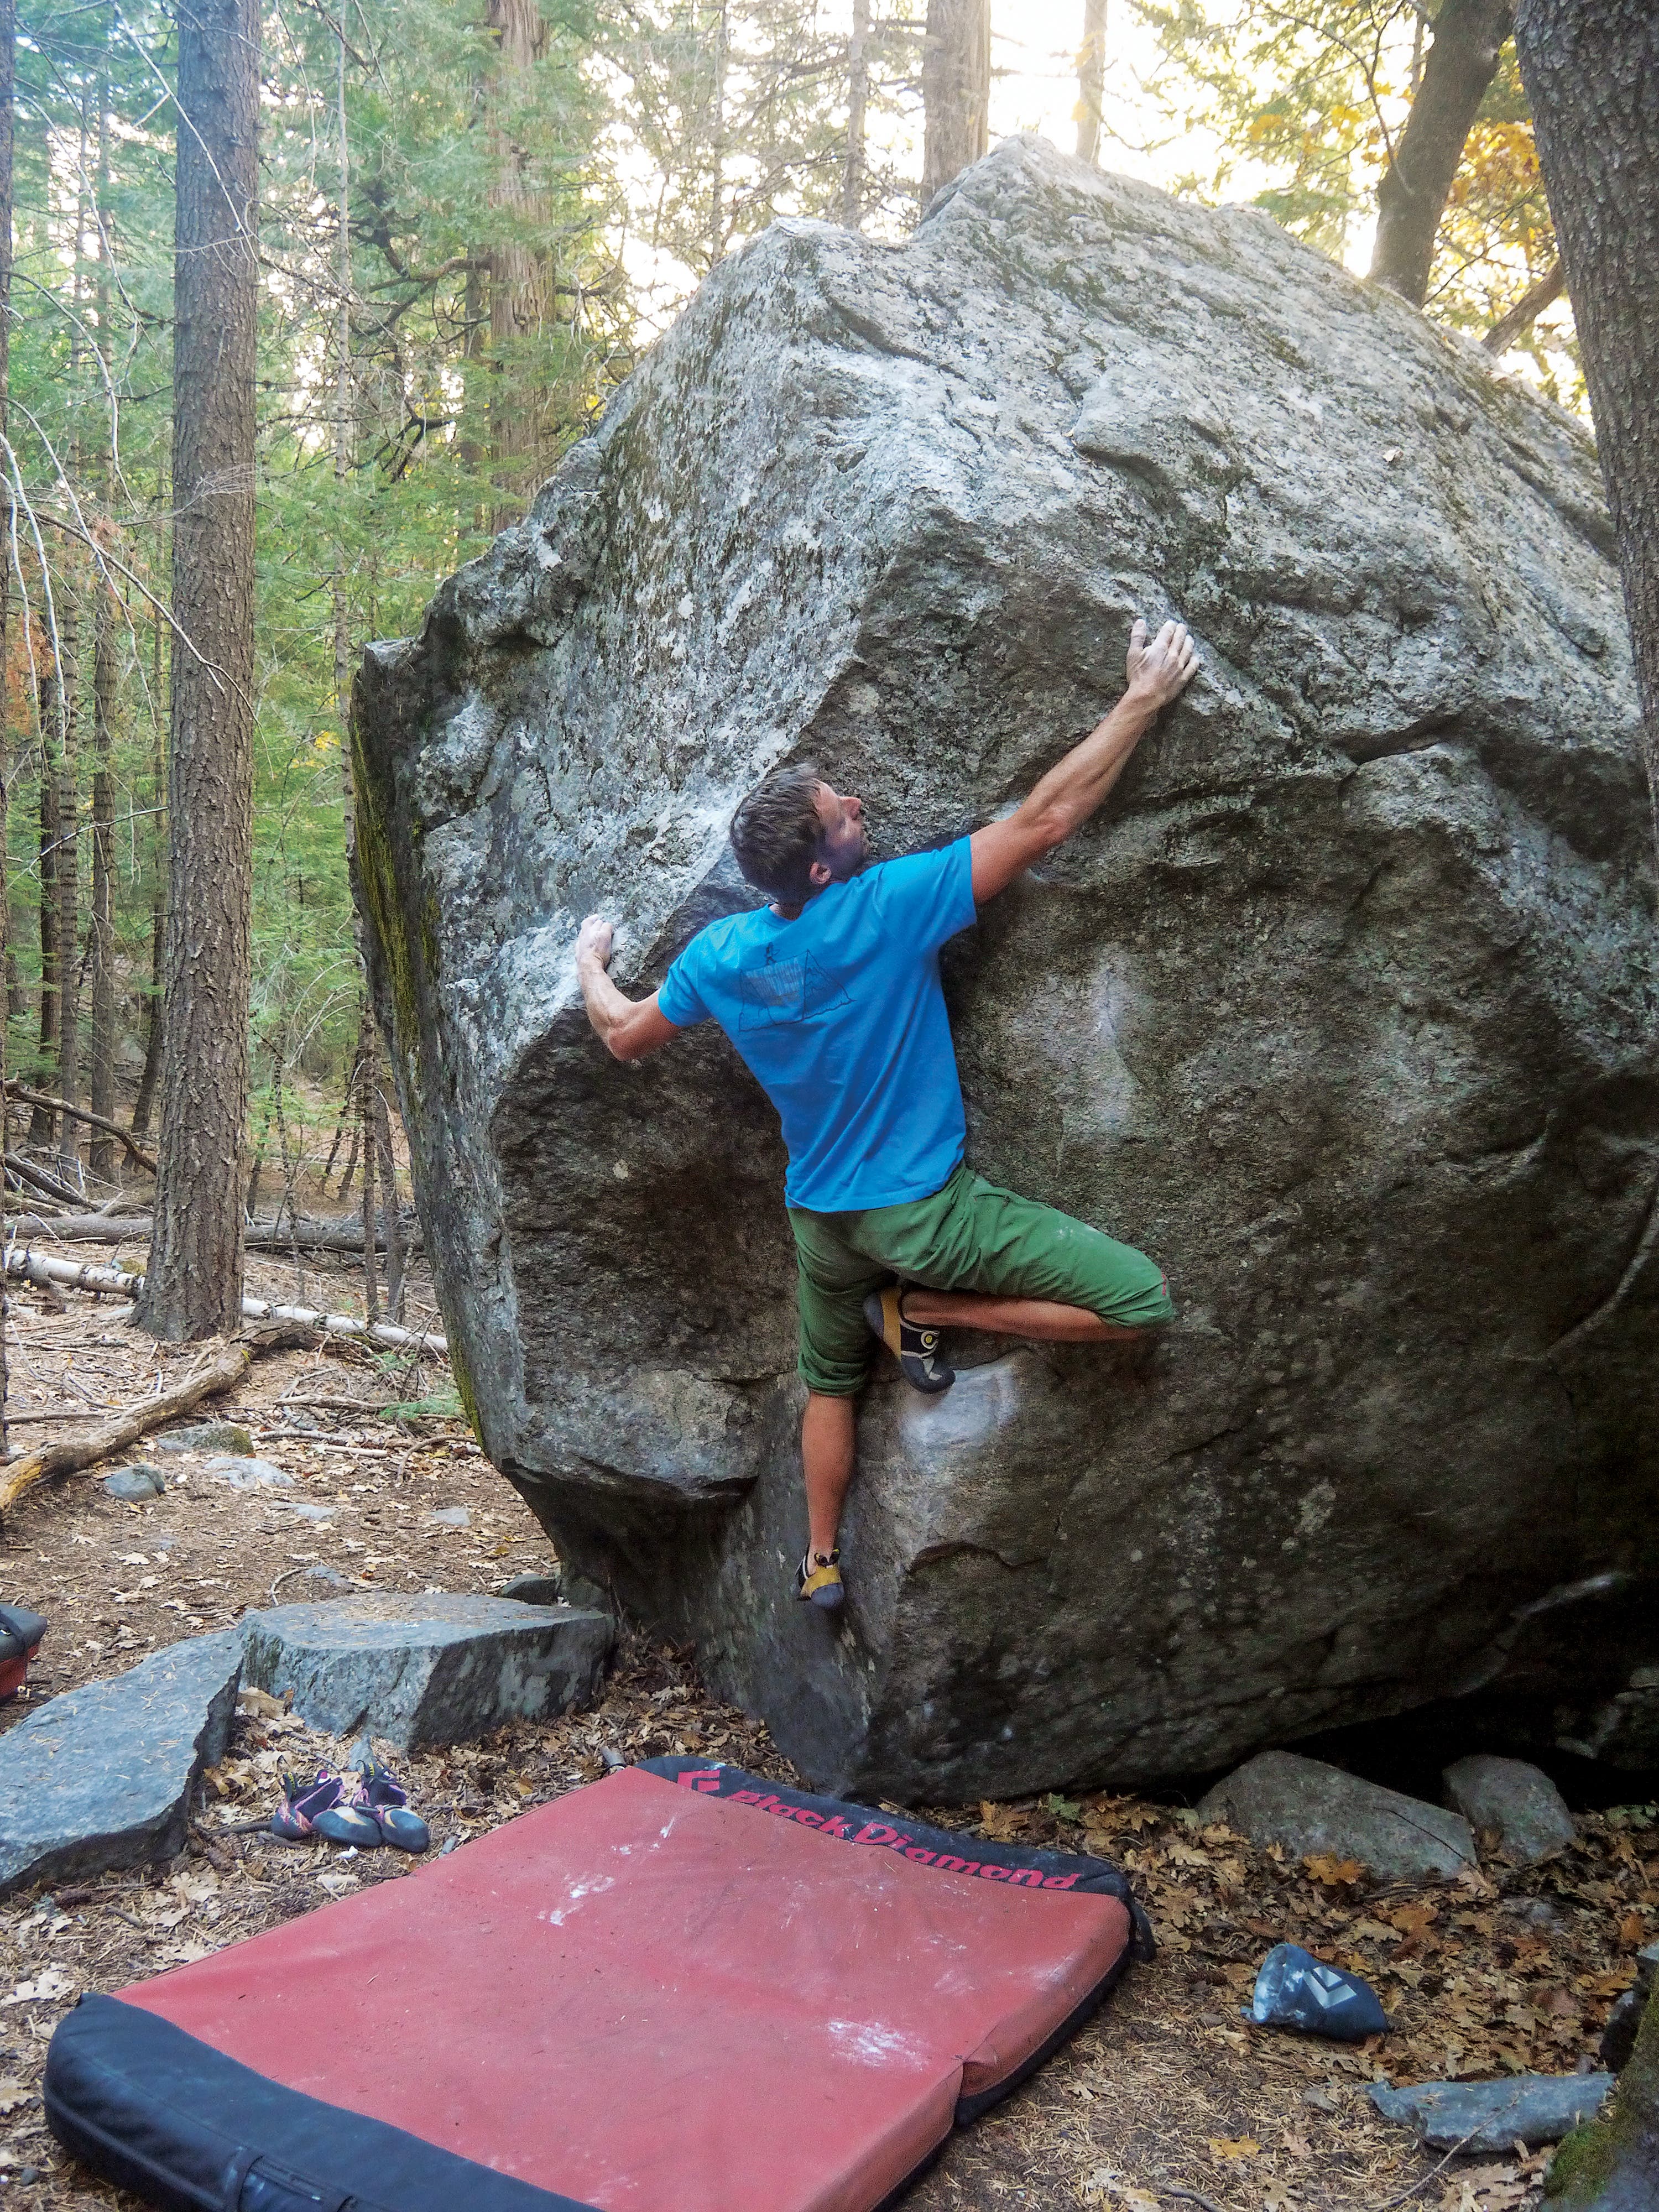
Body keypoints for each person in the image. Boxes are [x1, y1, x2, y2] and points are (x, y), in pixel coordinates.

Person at [576, 615, 1201, 1612]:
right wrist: (1141, 701)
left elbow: (620, 1035)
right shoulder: (887, 908)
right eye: (844, 814)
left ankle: (820, 1559)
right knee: (1139, 1302)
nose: (858, 806)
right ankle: (928, 1312)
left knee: (831, 1383)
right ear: (822, 865)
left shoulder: (723, 957)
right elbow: (1045, 820)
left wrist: (587, 963)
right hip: (924, 1214)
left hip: (823, 1221)